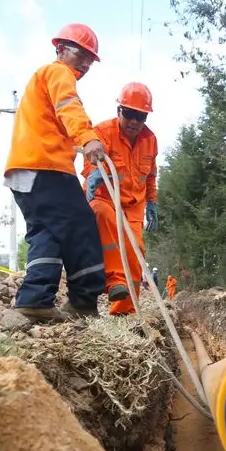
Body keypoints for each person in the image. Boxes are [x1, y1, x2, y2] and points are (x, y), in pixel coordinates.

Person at [3, 22, 108, 322]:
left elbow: (57, 118)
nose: (86, 63)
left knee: (47, 232)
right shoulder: (58, 72)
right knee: (82, 225)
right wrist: (88, 138)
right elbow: (69, 107)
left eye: (90, 59)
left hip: (25, 170)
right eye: (81, 54)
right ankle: (84, 302)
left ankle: (35, 299)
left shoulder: (43, 79)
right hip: (45, 167)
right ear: (61, 49)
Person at [82, 82, 159, 315]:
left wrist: (152, 202)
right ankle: (115, 280)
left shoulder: (150, 140)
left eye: (141, 116)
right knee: (103, 216)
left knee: (136, 254)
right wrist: (93, 173)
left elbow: (151, 174)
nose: (134, 121)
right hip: (105, 198)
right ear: (119, 111)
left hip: (133, 206)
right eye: (129, 114)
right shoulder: (103, 132)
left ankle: (124, 312)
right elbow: (88, 160)